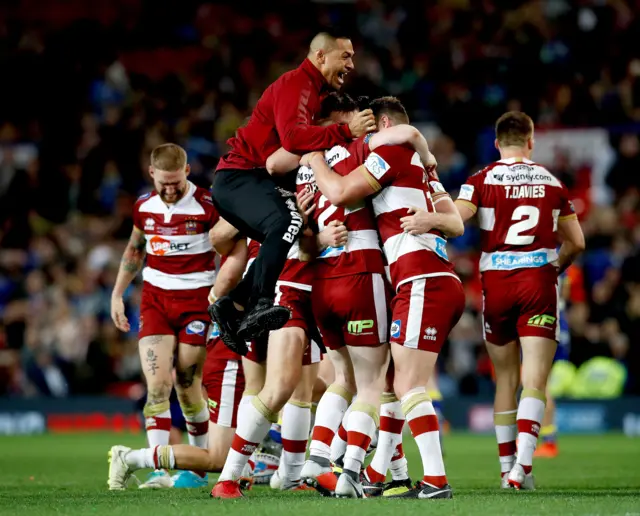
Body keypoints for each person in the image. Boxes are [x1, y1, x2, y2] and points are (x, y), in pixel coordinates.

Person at [304, 96, 465, 500]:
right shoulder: (428, 173)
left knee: (407, 384)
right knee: (392, 383)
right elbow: (457, 223)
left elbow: (341, 192)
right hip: (434, 277)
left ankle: (435, 481)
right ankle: (378, 474)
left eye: (370, 127)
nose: (365, 136)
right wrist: (433, 218)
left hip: (420, 277)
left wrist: (315, 158)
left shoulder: (389, 152)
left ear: (385, 123)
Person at [208, 30, 376, 354]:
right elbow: (293, 139)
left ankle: (233, 305)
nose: (352, 64)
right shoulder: (297, 84)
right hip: (240, 177)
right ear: (321, 56)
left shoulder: (315, 94)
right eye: (346, 56)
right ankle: (259, 303)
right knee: (285, 223)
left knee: (291, 225)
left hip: (253, 180)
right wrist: (344, 132)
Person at [454, 111, 585, 490]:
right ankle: (522, 468)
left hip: (496, 285)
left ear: (496, 144)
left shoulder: (479, 179)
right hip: (538, 284)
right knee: (534, 379)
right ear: (531, 141)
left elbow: (458, 219)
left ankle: (506, 468)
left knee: (505, 379)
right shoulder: (552, 182)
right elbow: (576, 242)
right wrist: (553, 267)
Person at [108, 143, 219, 489]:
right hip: (156, 302)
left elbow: (232, 247)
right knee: (157, 387)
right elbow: (135, 248)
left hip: (197, 303)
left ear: (187, 172)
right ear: (151, 174)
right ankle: (157, 471)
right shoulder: (144, 206)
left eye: (176, 182)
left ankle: (197, 468)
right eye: (163, 183)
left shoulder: (208, 206)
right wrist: (117, 294)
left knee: (188, 387)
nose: (169, 190)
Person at [108, 240, 252, 489]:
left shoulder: (249, 235)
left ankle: (253, 464)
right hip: (230, 350)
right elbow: (223, 252)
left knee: (192, 392)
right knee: (218, 454)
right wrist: (117, 293)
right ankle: (141, 461)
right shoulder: (249, 236)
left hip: (229, 343)